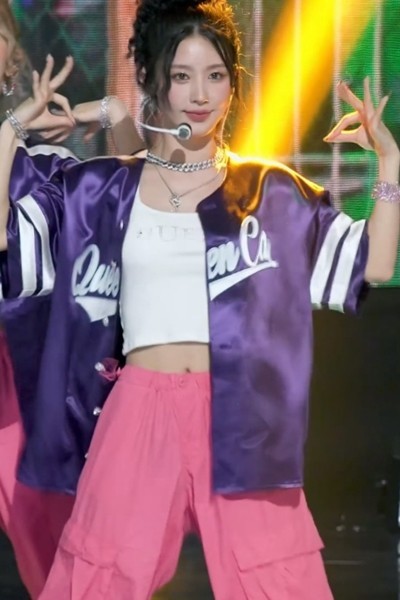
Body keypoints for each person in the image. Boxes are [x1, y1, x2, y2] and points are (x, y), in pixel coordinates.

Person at [0, 0, 399, 598]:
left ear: (233, 84)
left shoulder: (268, 190)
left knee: (278, 578)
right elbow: (7, 242)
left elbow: (376, 264)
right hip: (139, 408)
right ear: (152, 79)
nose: (200, 94)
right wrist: (10, 131)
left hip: (241, 413)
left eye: (215, 75)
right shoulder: (102, 187)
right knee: (99, 576)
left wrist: (390, 163)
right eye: (182, 75)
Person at [0, 2, 142, 597]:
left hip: (39, 371)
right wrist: (10, 132)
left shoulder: (45, 168)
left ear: (11, 55)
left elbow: (140, 187)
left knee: (57, 538)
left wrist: (111, 112)